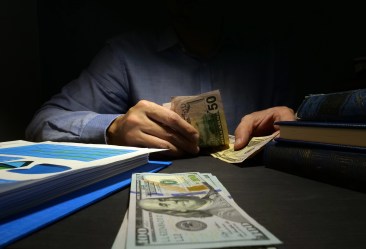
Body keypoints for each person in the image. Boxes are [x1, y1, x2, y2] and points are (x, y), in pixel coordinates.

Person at [25, 0, 295, 158]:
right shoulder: (124, 55)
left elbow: (308, 130)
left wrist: (295, 129)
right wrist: (113, 128)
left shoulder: (267, 54)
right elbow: (43, 123)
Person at [137, 188, 248, 223]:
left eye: (162, 199)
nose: (170, 201)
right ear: (180, 211)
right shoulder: (228, 215)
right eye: (164, 205)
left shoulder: (211, 190)